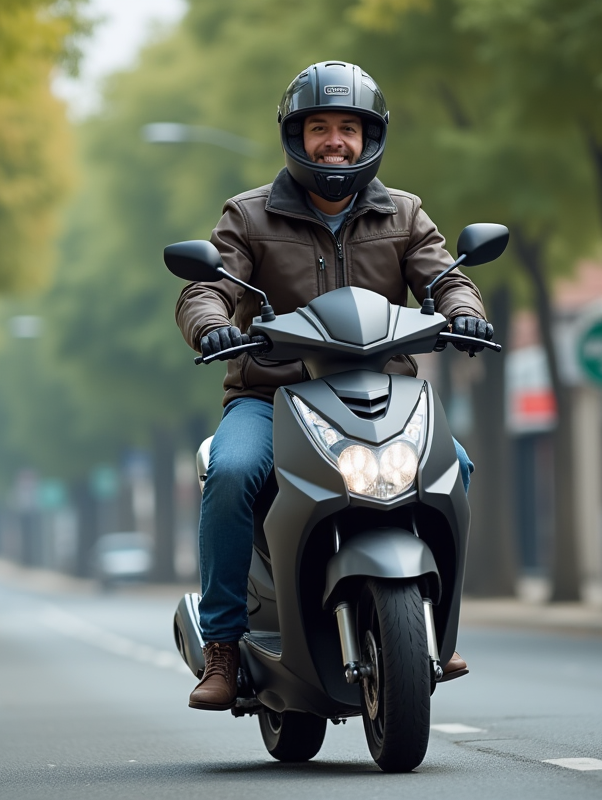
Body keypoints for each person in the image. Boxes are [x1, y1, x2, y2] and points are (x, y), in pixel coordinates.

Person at [175, 61, 495, 711]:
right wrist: (210, 323)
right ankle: (224, 647)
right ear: (295, 136)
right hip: (270, 398)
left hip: (382, 395)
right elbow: (209, 287)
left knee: (452, 466)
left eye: (347, 127)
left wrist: (464, 309)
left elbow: (444, 277)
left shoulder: (404, 214)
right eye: (318, 127)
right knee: (233, 474)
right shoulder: (249, 215)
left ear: (369, 136)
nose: (334, 142)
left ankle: (437, 622)